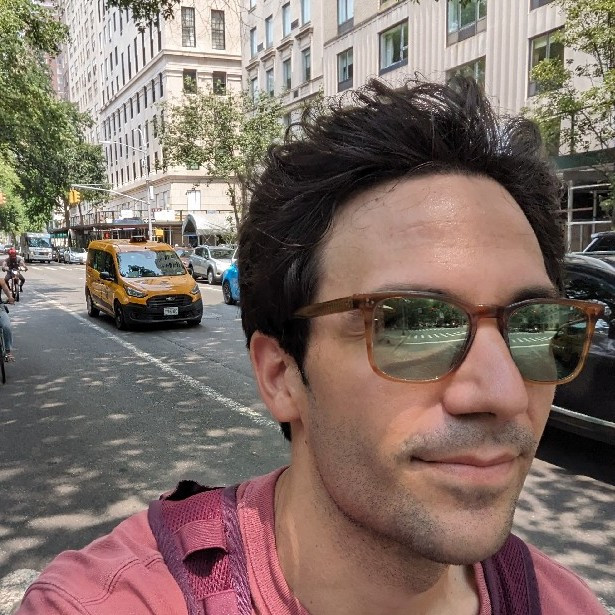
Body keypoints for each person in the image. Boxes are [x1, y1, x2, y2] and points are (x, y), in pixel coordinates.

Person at [17, 78, 608, 614]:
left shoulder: (565, 603)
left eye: (534, 325)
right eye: (411, 324)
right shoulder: (108, 603)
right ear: (280, 375)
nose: (505, 393)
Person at [0, 277, 15, 361]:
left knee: (7, 326)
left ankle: (8, 351)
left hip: (0, 308)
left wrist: (10, 297)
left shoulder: (0, 280)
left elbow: (6, 289)